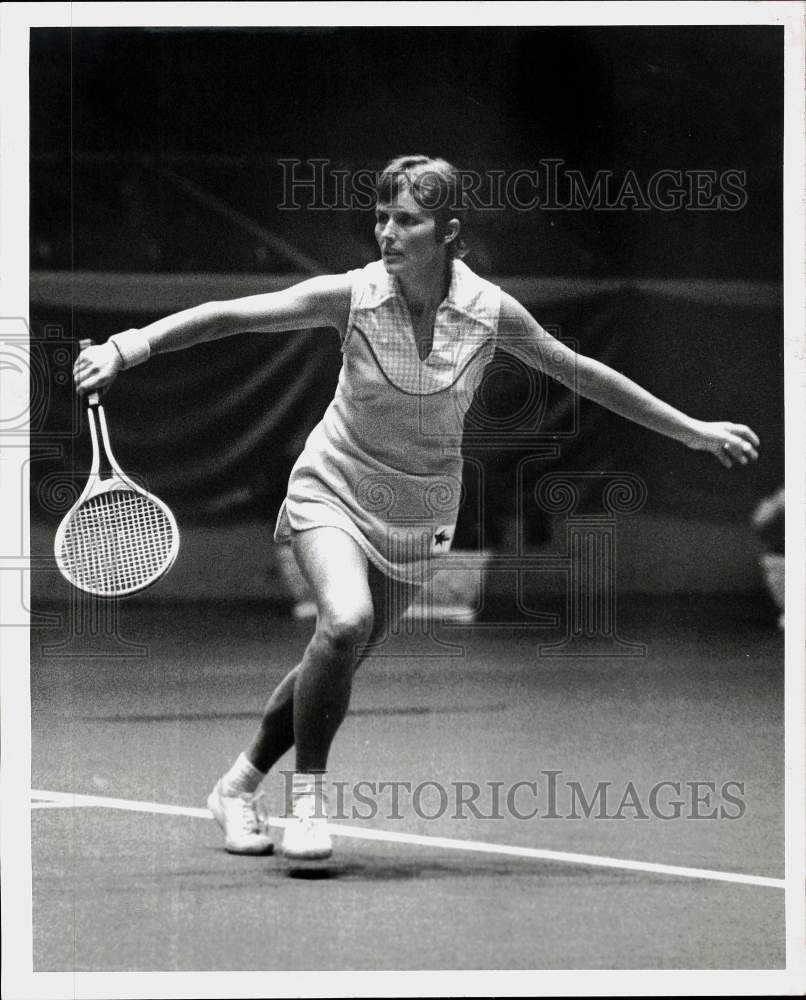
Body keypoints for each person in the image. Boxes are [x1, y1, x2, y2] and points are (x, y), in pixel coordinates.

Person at [73, 155, 761, 861]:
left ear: (449, 231)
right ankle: (307, 803)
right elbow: (232, 317)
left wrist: (692, 430)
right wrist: (129, 348)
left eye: (407, 220)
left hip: (421, 512)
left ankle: (237, 785)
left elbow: (582, 373)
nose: (387, 233)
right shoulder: (353, 295)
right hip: (333, 487)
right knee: (345, 621)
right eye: (381, 217)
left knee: (336, 654)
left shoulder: (490, 312)